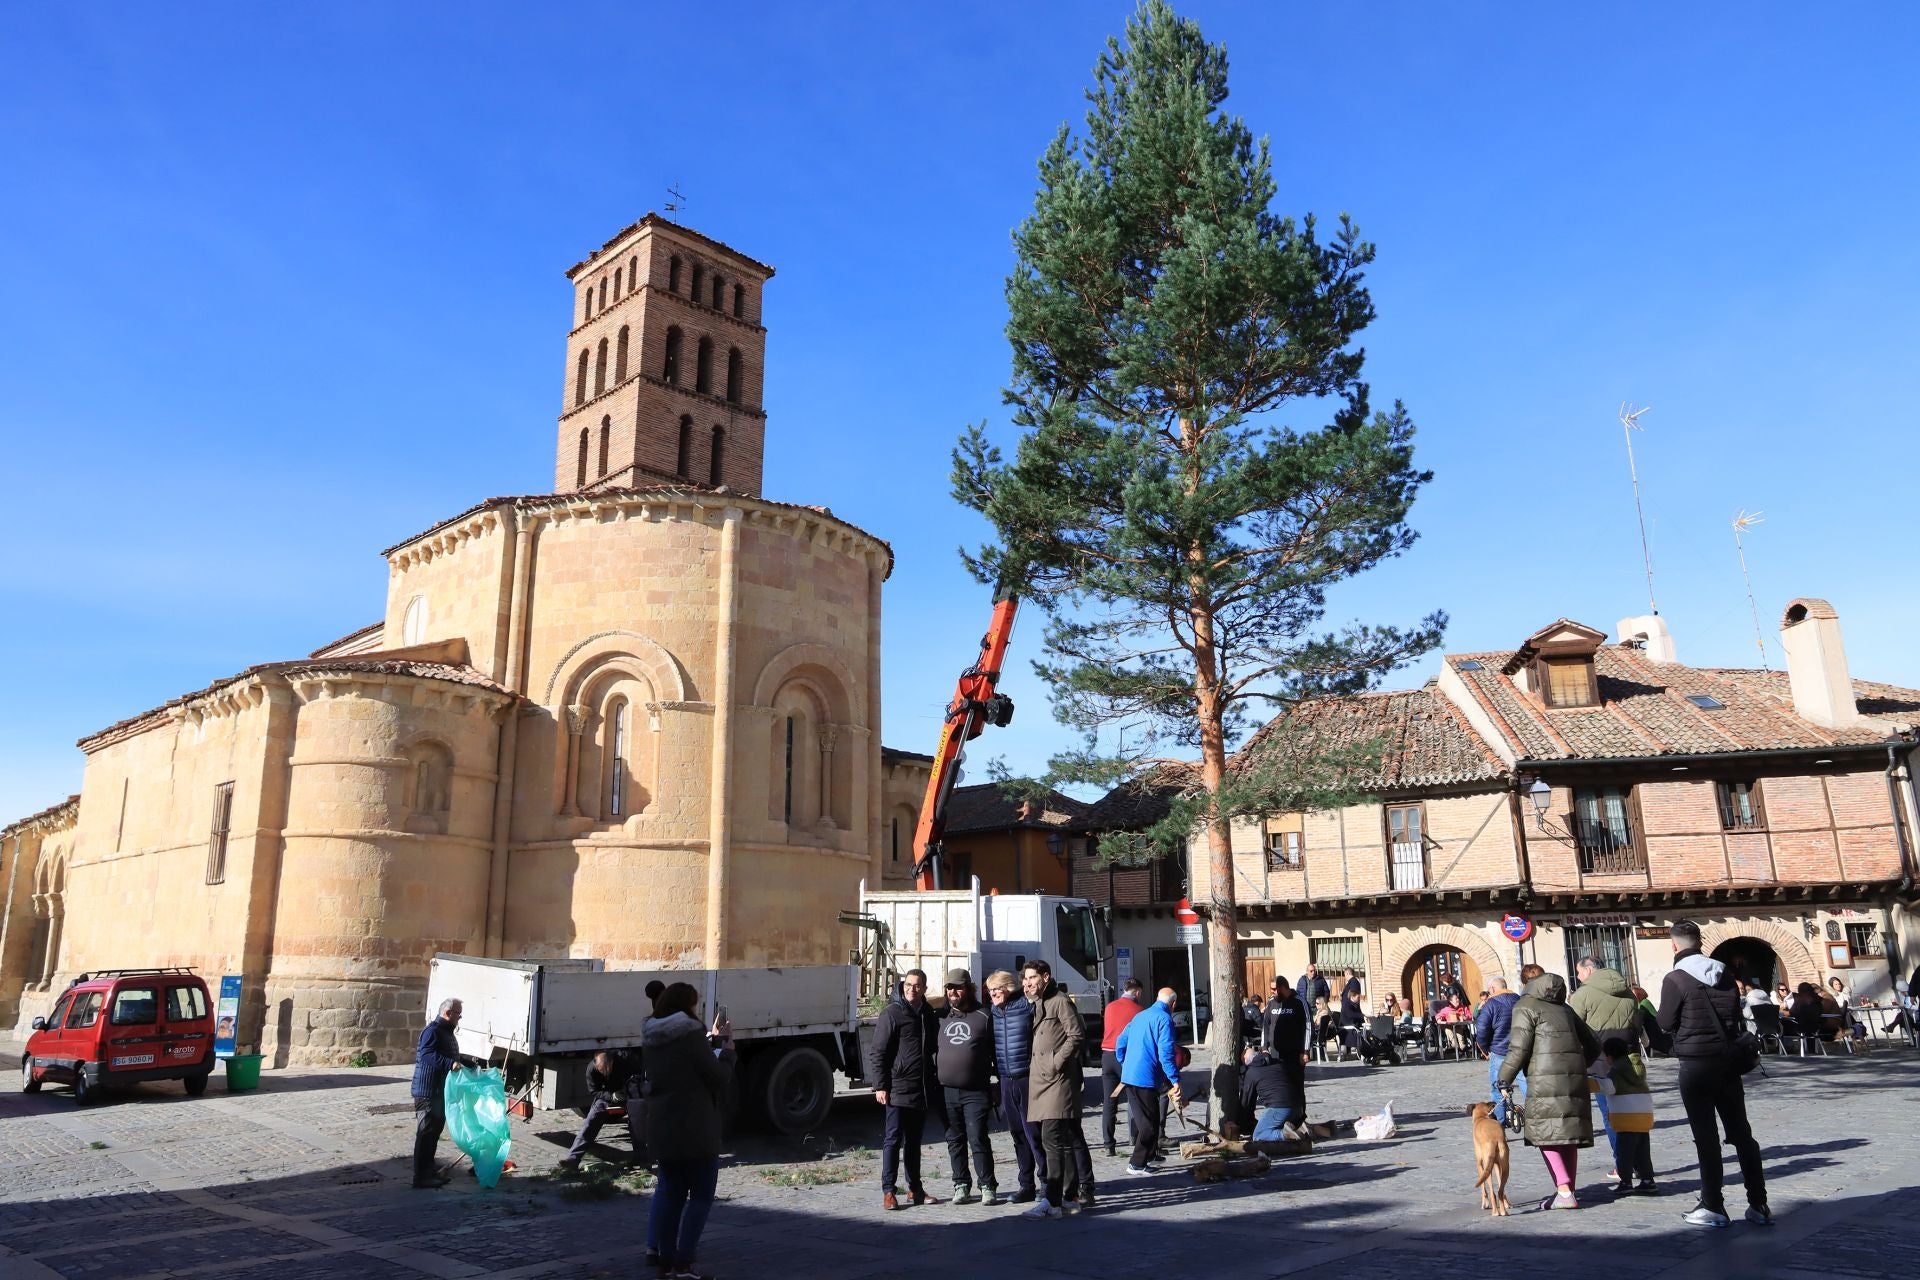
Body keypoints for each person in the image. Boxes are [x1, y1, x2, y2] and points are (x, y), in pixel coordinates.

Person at [1656, 920, 1771, 1228]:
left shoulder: (1676, 979)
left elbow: (1665, 1022)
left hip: (1695, 1064)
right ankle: (1758, 1203)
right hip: (1728, 1062)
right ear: (1700, 941)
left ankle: (1713, 1204)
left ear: (1674, 945)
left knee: (1706, 1138)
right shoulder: (1725, 975)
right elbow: (1734, 1018)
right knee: (1742, 1134)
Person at [643, 982, 734, 1279]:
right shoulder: (690, 1033)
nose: (696, 1010)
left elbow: (681, 1063)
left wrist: (709, 1040)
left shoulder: (651, 1033)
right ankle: (685, 1261)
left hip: (663, 1125)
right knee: (701, 1196)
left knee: (671, 1196)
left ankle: (666, 1262)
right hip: (695, 1126)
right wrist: (726, 1050)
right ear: (686, 1006)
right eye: (694, 1005)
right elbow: (716, 1075)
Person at [1496, 971, 1601, 1212]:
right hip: (1574, 1077)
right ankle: (1567, 1190)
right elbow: (1594, 1043)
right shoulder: (1565, 1008)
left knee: (1546, 1132)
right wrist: (1577, 1064)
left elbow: (1518, 1048)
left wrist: (1504, 1079)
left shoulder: (1525, 1006)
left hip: (1544, 1077)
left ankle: (1564, 1191)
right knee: (1568, 1134)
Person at [1021, 959, 1092, 1219]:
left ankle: (1053, 1200)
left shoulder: (1060, 1001)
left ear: (1046, 977)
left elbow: (1076, 1035)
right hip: (1042, 1082)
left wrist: (1056, 1061)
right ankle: (1068, 1195)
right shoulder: (1038, 1003)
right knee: (1058, 1141)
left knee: (1052, 1139)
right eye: (1025, 978)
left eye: (1032, 977)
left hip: (1058, 1082)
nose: (1028, 982)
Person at [869, 968, 941, 1210]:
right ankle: (889, 1191)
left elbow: (933, 1046)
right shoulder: (892, 1013)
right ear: (903, 986)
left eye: (917, 985)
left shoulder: (927, 1013)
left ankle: (915, 1190)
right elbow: (878, 1052)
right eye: (908, 984)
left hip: (919, 1088)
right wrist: (880, 1086)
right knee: (892, 1139)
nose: (911, 989)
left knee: (914, 1141)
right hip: (897, 1087)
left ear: (924, 988)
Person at [1569, 954, 1642, 1186]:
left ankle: (1623, 1166)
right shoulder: (1628, 992)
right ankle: (1640, 1164)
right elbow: (1637, 1024)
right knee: (1632, 1114)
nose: (1579, 977)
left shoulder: (1582, 995)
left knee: (1611, 1116)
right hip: (1630, 1059)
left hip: (1601, 1061)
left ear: (1589, 970)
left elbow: (1575, 1029)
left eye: (1579, 972)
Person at [936, 968, 998, 1205]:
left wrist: (999, 1084)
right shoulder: (940, 1017)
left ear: (969, 989)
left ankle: (987, 1185)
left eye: (958, 987)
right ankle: (961, 1184)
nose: (953, 992)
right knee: (954, 1140)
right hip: (946, 1091)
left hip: (976, 1091)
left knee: (978, 1138)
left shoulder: (984, 1015)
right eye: (949, 987)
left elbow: (995, 1052)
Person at [986, 970, 1045, 1203]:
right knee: (1017, 1134)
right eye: (990, 991)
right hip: (1005, 1080)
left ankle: (1048, 1183)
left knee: (1034, 1134)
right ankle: (1026, 1185)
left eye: (996, 989)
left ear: (1008, 988)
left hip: (1026, 1078)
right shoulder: (994, 1011)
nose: (992, 994)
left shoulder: (1026, 1006)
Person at [411, 997, 479, 1190]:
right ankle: (421, 1176)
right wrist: (450, 1064)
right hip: (427, 1090)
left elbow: (450, 1055)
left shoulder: (445, 1032)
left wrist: (467, 1063)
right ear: (448, 1013)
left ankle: (429, 1170)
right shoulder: (432, 1030)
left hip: (439, 1092)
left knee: (434, 1132)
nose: (460, 1018)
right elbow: (426, 1054)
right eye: (458, 1014)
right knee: (426, 1133)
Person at [1114, 986, 1182, 1175]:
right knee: (1149, 1125)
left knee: (1151, 1117)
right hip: (1145, 1077)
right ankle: (1136, 1164)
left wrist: (1124, 1062)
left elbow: (1120, 1042)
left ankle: (1150, 1155)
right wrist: (1175, 1079)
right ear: (1173, 1004)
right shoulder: (1164, 1019)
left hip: (1131, 1076)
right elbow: (1166, 1054)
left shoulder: (1140, 1015)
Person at [1246, 983, 1308, 1138]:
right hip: (1277, 1056)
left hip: (1294, 1056)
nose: (1272, 992)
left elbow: (1307, 1025)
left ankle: (1287, 1133)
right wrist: (1265, 1047)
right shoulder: (1271, 1004)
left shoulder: (1298, 1002)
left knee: (1258, 1136)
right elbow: (1265, 1027)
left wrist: (1305, 1050)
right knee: (1290, 1086)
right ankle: (1296, 1125)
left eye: (1274, 989)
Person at [558, 1050, 637, 1170]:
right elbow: (594, 1091)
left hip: (629, 1094)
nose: (604, 1073)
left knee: (637, 1120)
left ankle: (642, 1159)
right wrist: (611, 1096)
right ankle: (573, 1158)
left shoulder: (626, 1061)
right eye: (601, 1071)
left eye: (607, 1069)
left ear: (611, 1062)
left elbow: (638, 1077)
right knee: (591, 1119)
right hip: (607, 1096)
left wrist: (627, 1092)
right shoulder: (591, 1069)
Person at [1599, 1036, 1657, 1195]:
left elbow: (1609, 1088)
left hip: (1626, 1119)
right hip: (1644, 1117)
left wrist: (1592, 1083)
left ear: (1610, 1056)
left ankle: (1626, 1181)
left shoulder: (1616, 1071)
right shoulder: (1636, 1068)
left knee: (1624, 1153)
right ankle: (1647, 1180)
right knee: (1642, 1152)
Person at [1099, 978, 1147, 1156]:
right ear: (1137, 992)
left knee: (1110, 1101)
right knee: (1134, 1098)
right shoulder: (1139, 1011)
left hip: (1107, 1058)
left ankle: (1108, 1144)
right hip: (1125, 1059)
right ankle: (1135, 1137)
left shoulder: (1110, 1007)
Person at [1474, 976, 1524, 1124]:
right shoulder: (1520, 1000)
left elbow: (1481, 1030)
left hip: (1499, 1051)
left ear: (1492, 989)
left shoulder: (1491, 1004)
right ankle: (1537, 1119)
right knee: (1527, 1084)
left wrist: (1485, 1049)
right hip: (1521, 1050)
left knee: (1497, 1088)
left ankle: (1500, 1123)